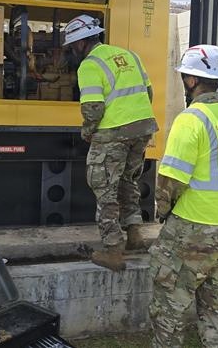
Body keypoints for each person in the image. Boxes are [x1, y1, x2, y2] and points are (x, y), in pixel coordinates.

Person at [149, 44, 218, 348]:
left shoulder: (191, 118)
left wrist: (162, 212)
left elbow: (171, 180)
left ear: (192, 80)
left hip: (194, 229)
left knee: (168, 308)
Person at [63, 14, 158, 271]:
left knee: (104, 188)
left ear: (80, 43)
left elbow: (93, 108)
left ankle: (113, 250)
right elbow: (148, 92)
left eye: (72, 46)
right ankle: (135, 234)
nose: (72, 52)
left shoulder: (89, 65)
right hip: (142, 128)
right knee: (128, 180)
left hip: (113, 132)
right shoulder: (129, 55)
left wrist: (87, 131)